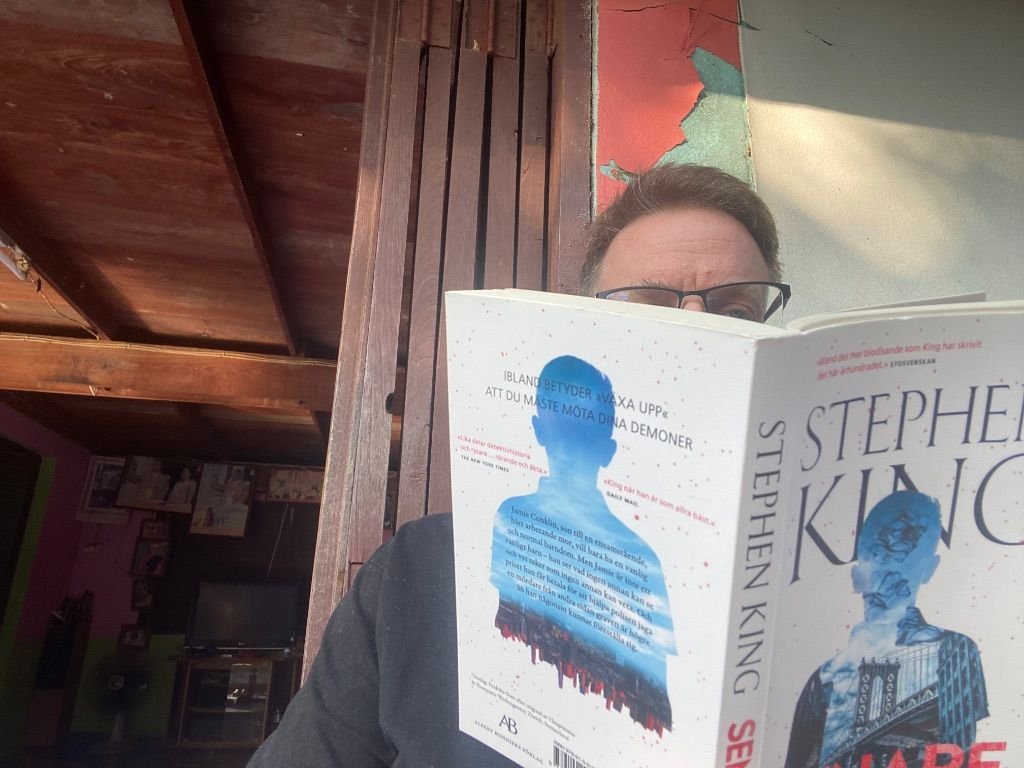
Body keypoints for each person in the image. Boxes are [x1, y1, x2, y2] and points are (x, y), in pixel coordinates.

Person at [248, 163, 787, 767]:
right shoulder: (417, 574)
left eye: (736, 315)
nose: (696, 340)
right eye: (650, 306)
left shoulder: (782, 602)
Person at [784, 491, 988, 768]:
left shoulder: (953, 651)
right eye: (875, 559)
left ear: (930, 570)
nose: (883, 581)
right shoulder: (823, 681)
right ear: (856, 573)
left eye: (898, 564)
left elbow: (959, 756)